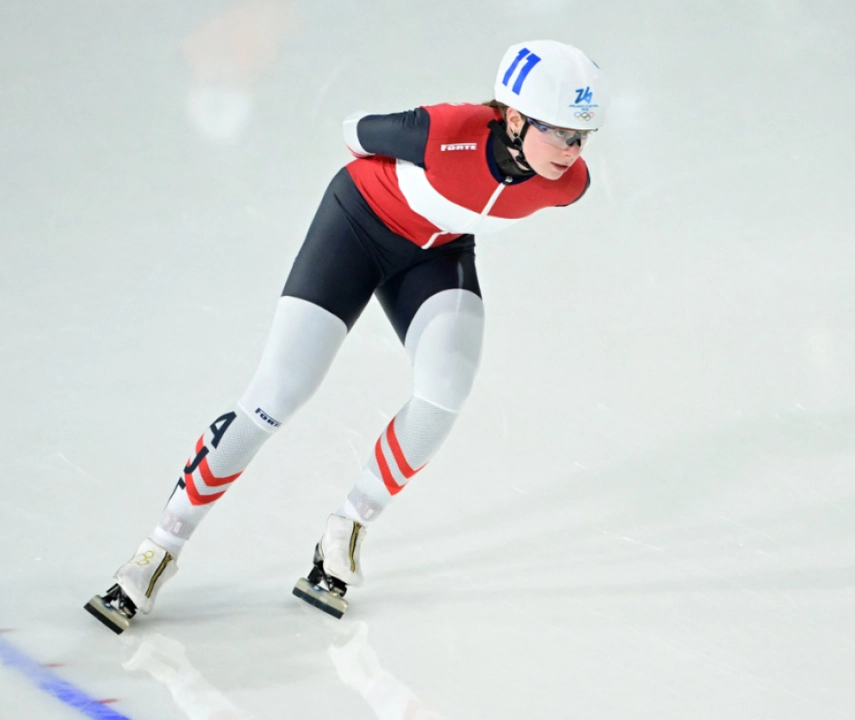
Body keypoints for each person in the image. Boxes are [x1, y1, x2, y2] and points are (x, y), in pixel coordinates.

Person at [85, 39, 606, 632]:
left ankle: (346, 528)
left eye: (583, 136)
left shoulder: (570, 181)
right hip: (357, 226)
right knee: (277, 393)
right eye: (561, 132)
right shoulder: (445, 131)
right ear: (513, 118)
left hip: (435, 251)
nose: (574, 150)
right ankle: (159, 547)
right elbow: (355, 132)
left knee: (445, 393)